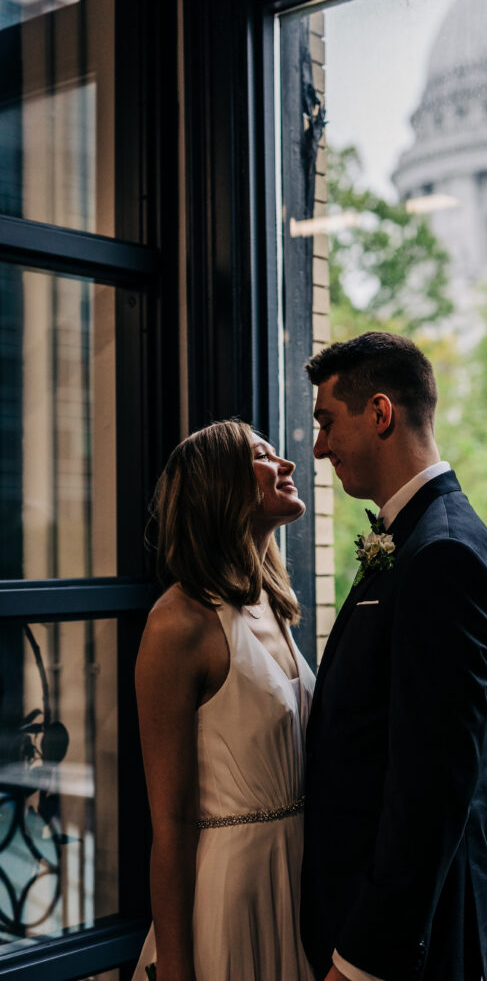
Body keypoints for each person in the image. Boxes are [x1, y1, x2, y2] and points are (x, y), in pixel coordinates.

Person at [301, 332, 487, 981]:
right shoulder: (412, 538)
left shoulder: (441, 553)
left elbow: (431, 782)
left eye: (327, 423)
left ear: (381, 413)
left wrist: (363, 959)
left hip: (406, 947)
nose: (318, 447)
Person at [132, 420, 316, 981]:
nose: (286, 464)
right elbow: (171, 821)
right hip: (231, 895)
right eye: (263, 455)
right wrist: (178, 970)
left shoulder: (272, 607)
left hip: (302, 882)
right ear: (221, 486)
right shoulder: (177, 623)